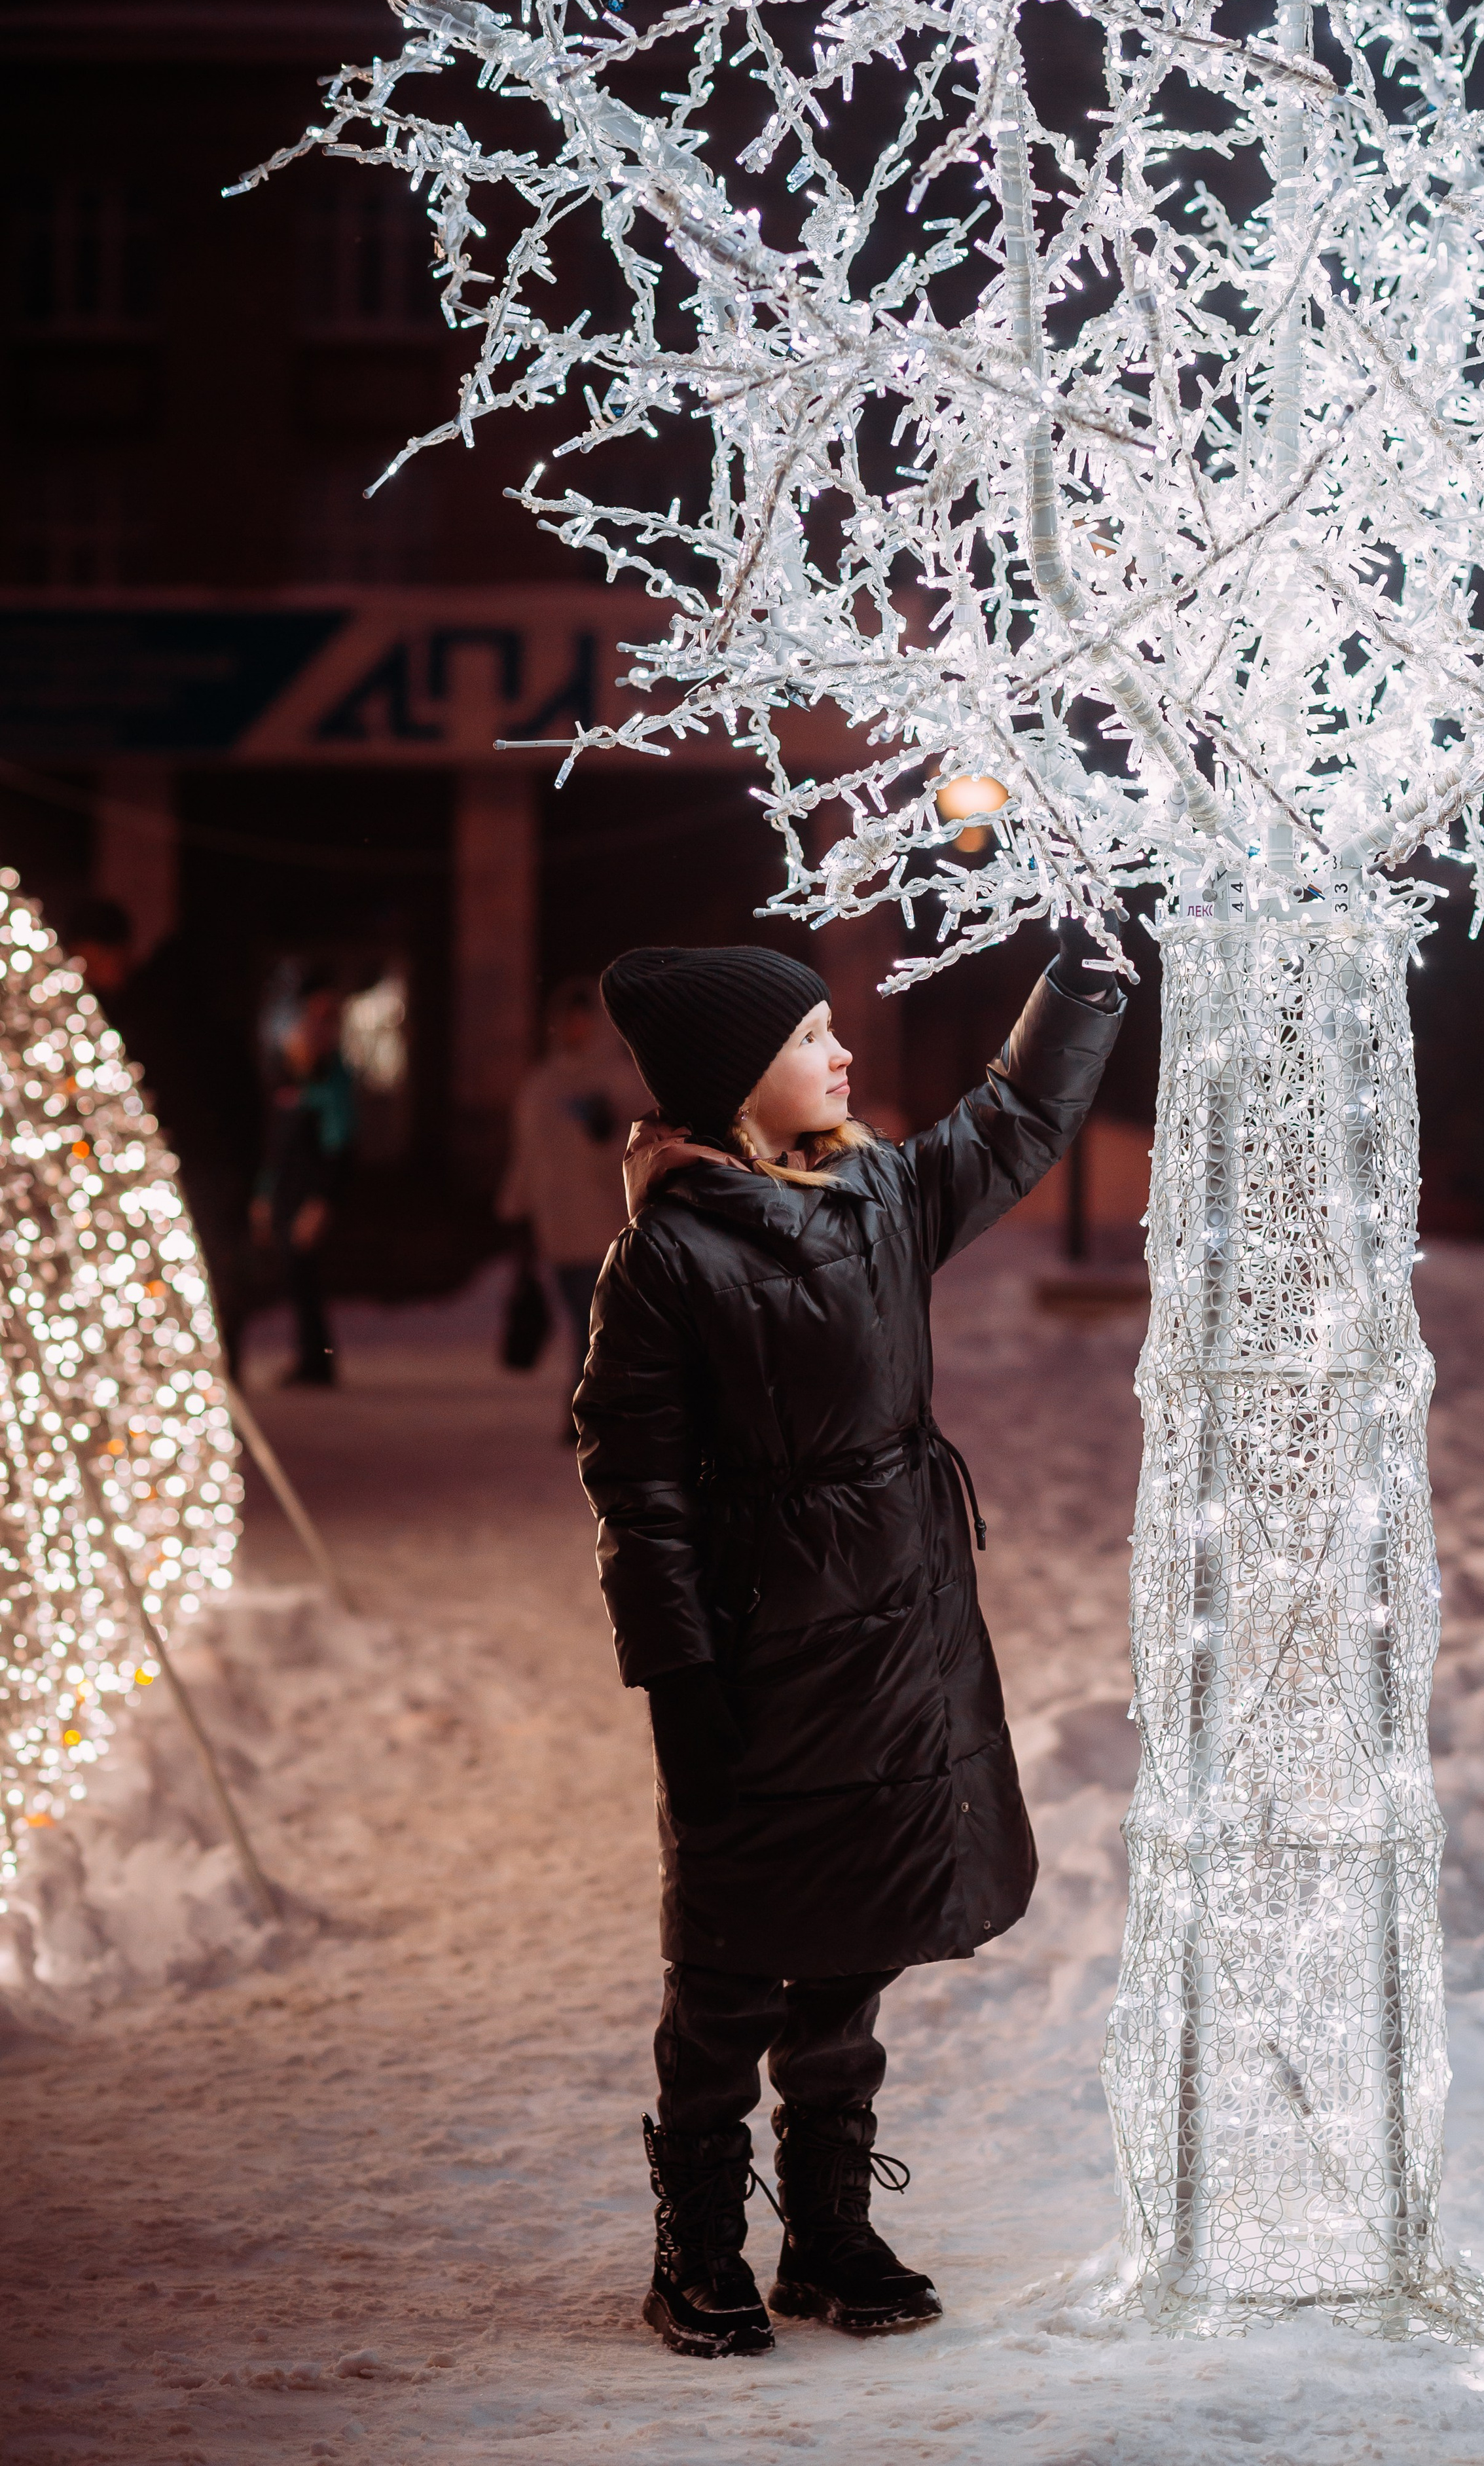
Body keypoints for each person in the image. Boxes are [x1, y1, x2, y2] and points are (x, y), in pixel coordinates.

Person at [575, 923, 1127, 2360]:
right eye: (810, 1037)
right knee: (728, 1962)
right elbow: (635, 1485)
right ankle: (698, 2241)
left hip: (896, 1636)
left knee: (852, 1940)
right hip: (760, 1652)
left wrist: (1074, 989)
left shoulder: (879, 1193)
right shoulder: (665, 1258)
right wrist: (676, 1673)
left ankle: (826, 2227)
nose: (842, 1052)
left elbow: (1011, 1124)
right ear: (736, 1078)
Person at [64, 897, 264, 1380]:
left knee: (204, 1279)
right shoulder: (120, 1012)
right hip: (176, 1168)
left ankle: (211, 1382)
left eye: (90, 958)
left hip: (189, 1167)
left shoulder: (154, 1016)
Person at [498, 977, 648, 1425]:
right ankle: (597, 1409)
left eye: (582, 1019)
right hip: (558, 1228)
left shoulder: (623, 1082)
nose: (573, 1027)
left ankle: (589, 1411)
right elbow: (528, 1154)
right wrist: (516, 1208)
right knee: (589, 1322)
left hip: (607, 1226)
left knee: (594, 1321)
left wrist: (609, 1134)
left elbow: (647, 1149)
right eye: (566, 1019)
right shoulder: (542, 1085)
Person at [251, 972, 355, 1388]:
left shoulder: (333, 1080)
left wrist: (321, 1201)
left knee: (305, 1276)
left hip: (310, 1193)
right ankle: (311, 1358)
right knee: (294, 1277)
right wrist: (264, 1195)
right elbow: (275, 1147)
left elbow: (338, 1146)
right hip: (285, 1190)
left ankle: (317, 1361)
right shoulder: (286, 1077)